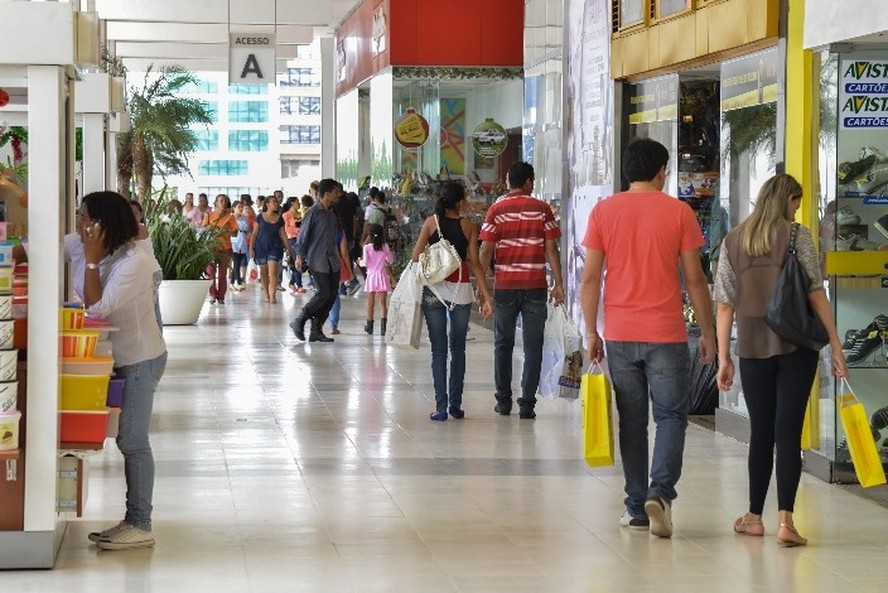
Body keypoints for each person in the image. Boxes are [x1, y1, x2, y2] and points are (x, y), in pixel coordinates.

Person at [579, 137, 716, 539]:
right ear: (661, 171)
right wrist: (707, 332)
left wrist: (592, 330)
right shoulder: (679, 212)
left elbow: (590, 278)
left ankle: (637, 507)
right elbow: (695, 279)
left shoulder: (604, 212)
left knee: (633, 423)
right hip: (667, 335)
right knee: (672, 417)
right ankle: (661, 493)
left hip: (620, 334)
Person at [713, 173, 848, 547]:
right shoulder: (797, 236)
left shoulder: (733, 240)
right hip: (796, 346)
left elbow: (724, 304)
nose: (797, 210)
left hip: (753, 349)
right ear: (785, 200)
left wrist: (724, 357)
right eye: (796, 202)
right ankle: (786, 521)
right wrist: (835, 345)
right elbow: (816, 293)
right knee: (788, 434)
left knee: (762, 432)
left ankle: (754, 516)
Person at [74, 191, 167, 549]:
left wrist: (92, 261)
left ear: (102, 224)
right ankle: (134, 520)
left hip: (141, 360)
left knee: (132, 440)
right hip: (123, 360)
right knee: (127, 438)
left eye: (84, 217)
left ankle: (140, 524)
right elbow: (45, 245)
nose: (79, 223)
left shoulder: (133, 261)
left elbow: (99, 308)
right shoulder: (104, 248)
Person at [479, 161, 564, 420]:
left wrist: (483, 288)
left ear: (508, 181)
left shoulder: (496, 210)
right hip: (535, 286)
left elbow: (485, 251)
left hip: (505, 287)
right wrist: (559, 284)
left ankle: (503, 402)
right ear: (528, 182)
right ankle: (527, 403)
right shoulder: (542, 210)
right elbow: (551, 249)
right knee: (533, 346)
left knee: (502, 344)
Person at [411, 181, 493, 421]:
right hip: (461, 290)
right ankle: (455, 404)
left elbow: (416, 256)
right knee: (458, 348)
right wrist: (486, 296)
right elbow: (475, 264)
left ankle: (441, 407)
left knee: (439, 349)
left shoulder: (430, 223)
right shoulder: (469, 226)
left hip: (434, 291)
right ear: (459, 202)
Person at [290, 178, 342, 342]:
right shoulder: (313, 212)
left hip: (332, 262)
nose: (338, 195)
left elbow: (333, 240)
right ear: (326, 193)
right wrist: (299, 256)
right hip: (317, 260)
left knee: (332, 295)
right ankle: (300, 319)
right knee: (323, 293)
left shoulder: (332, 214)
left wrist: (339, 259)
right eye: (335, 192)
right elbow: (302, 236)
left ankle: (316, 329)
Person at [128, 200, 163, 329]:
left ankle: (156, 341)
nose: (132, 216)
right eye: (128, 213)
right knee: (153, 309)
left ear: (141, 215)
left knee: (150, 311)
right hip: (145, 274)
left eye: (135, 213)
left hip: (151, 273)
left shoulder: (140, 229)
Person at [249, 194, 287, 304]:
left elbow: (283, 234)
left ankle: (273, 296)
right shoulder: (259, 217)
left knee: (273, 271)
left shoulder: (280, 219)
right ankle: (266, 294)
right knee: (264, 272)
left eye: (277, 202)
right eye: (274, 202)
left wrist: (288, 248)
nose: (276, 204)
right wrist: (251, 248)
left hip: (275, 247)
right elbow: (254, 234)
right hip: (261, 247)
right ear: (267, 204)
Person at [203, 194, 238, 304]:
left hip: (225, 248)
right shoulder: (209, 215)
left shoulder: (230, 217)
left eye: (225, 201)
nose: (223, 203)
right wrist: (212, 228)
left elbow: (235, 233)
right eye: (221, 201)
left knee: (222, 274)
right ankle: (213, 295)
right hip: (211, 248)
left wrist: (227, 231)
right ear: (216, 203)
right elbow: (204, 229)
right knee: (210, 273)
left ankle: (221, 296)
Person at [362, 224, 394, 335]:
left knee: (370, 303)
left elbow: (365, 263)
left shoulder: (366, 248)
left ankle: (369, 326)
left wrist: (358, 262)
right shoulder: (385, 247)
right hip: (382, 276)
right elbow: (390, 260)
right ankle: (384, 328)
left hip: (371, 277)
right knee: (382, 303)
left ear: (370, 235)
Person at [282, 196, 305, 294]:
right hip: (292, 239)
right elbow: (286, 229)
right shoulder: (286, 215)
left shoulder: (301, 214)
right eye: (297, 202)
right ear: (292, 203)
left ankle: (292, 282)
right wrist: (298, 230)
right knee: (297, 260)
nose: (299, 204)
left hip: (302, 239)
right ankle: (299, 285)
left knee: (302, 261)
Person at [229, 200, 250, 291]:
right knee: (236, 262)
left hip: (243, 240)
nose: (241, 209)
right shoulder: (231, 218)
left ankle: (232, 283)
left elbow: (248, 229)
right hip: (234, 241)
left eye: (242, 207)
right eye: (239, 207)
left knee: (238, 262)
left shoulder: (244, 218)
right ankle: (238, 282)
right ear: (234, 208)